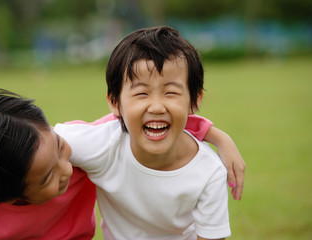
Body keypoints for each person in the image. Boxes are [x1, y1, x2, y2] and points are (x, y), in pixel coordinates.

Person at [0, 87, 244, 239]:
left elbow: (141, 120)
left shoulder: (82, 145)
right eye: (47, 178)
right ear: (9, 195)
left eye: (59, 147)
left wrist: (218, 137)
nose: (67, 168)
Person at [52, 26, 240, 239]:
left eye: (171, 93)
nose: (157, 107)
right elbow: (33, 141)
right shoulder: (102, 144)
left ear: (194, 100)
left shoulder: (209, 171)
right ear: (115, 102)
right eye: (141, 93)